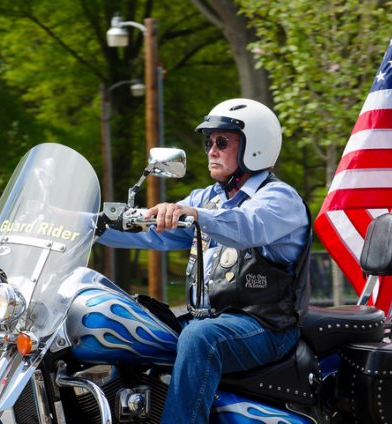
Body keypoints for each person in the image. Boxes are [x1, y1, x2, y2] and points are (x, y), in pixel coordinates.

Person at [98, 98, 311, 424]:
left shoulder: (279, 198)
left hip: (265, 327)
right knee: (127, 328)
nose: (211, 150)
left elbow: (246, 227)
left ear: (255, 146)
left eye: (222, 141)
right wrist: (87, 225)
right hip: (209, 318)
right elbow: (153, 233)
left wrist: (194, 215)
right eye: (208, 142)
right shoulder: (206, 197)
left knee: (200, 338)